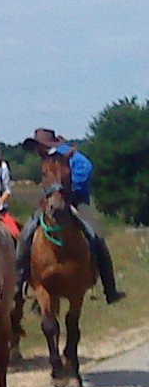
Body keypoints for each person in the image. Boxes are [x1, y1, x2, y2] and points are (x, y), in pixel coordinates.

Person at [16, 127, 124, 304]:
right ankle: (19, 282)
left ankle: (109, 288)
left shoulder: (66, 153)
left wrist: (69, 187)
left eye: (38, 146)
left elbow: (86, 167)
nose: (37, 150)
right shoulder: (45, 159)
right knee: (26, 233)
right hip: (51, 201)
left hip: (76, 199)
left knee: (95, 235)